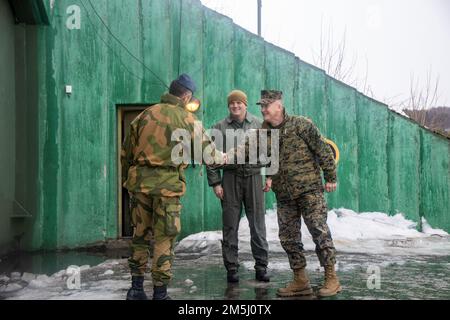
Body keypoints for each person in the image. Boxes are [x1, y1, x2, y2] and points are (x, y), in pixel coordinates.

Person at [121, 74, 225, 300]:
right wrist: (223, 157)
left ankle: (136, 289)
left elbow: (126, 153)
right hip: (167, 187)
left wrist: (131, 179)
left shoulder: (144, 115)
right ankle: (160, 293)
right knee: (164, 238)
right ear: (186, 95)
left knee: (139, 235)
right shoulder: (187, 119)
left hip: (139, 184)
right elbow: (209, 154)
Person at [257, 90, 342, 297]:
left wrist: (330, 177)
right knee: (288, 237)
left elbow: (322, 150)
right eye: (261, 106)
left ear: (279, 106)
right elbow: (270, 158)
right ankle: (300, 280)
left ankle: (331, 278)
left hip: (309, 190)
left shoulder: (302, 124)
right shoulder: (265, 131)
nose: (263, 109)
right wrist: (269, 176)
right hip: (284, 194)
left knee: (319, 231)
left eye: (267, 105)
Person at [206, 90, 270, 283]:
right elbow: (210, 157)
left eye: (238, 103)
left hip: (253, 177)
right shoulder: (219, 127)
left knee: (257, 225)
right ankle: (232, 268)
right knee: (230, 225)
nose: (235, 106)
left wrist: (270, 177)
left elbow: (271, 150)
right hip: (230, 178)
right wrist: (216, 183)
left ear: (245, 104)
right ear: (229, 106)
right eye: (232, 103)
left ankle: (261, 267)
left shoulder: (259, 124)